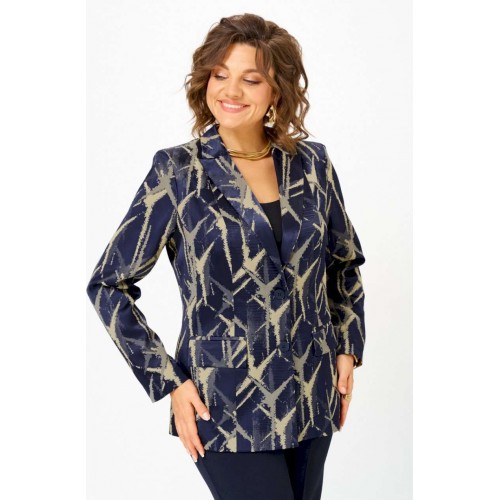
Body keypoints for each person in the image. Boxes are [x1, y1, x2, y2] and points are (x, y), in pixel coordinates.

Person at [86, 13, 366, 500]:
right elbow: (108, 285)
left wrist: (347, 345)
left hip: (312, 392)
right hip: (225, 403)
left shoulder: (312, 164)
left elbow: (342, 263)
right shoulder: (177, 171)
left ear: (276, 90)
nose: (231, 90)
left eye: (250, 79)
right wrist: (170, 382)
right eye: (220, 74)